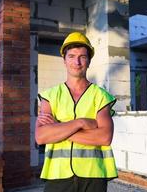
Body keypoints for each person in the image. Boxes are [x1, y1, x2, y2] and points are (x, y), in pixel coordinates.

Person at [35, 32, 118, 192]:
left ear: (89, 61)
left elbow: (105, 137)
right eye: (72, 56)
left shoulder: (100, 96)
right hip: (57, 175)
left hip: (93, 175)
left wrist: (59, 129)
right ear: (64, 60)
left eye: (82, 57)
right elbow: (41, 137)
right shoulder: (50, 96)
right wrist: (80, 123)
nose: (77, 62)